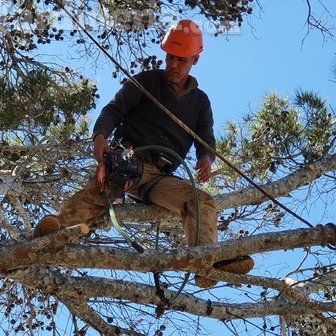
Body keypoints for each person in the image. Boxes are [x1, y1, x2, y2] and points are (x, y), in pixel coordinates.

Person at [33, 19, 254, 287]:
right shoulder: (147, 82)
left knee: (199, 200)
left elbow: (205, 137)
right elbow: (113, 110)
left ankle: (205, 262)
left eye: (180, 60)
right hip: (129, 159)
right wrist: (100, 137)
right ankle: (51, 236)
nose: (172, 64)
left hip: (160, 177)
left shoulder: (200, 102)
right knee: (99, 194)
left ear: (195, 60)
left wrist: (205, 157)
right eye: (169, 57)